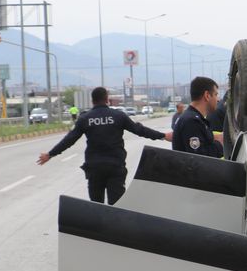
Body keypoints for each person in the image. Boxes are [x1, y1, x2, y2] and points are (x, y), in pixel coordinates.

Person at [38, 87, 168, 205]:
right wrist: (162, 135)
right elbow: (139, 130)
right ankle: (115, 230)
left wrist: (50, 154)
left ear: (92, 101)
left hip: (95, 168)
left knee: (96, 206)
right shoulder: (118, 116)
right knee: (117, 206)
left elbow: (69, 140)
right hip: (115, 167)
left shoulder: (85, 118)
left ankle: (98, 229)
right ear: (107, 99)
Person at [172, 77, 224, 158]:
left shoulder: (194, 118)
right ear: (207, 95)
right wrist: (220, 144)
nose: (218, 99)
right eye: (216, 95)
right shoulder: (191, 122)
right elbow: (199, 158)